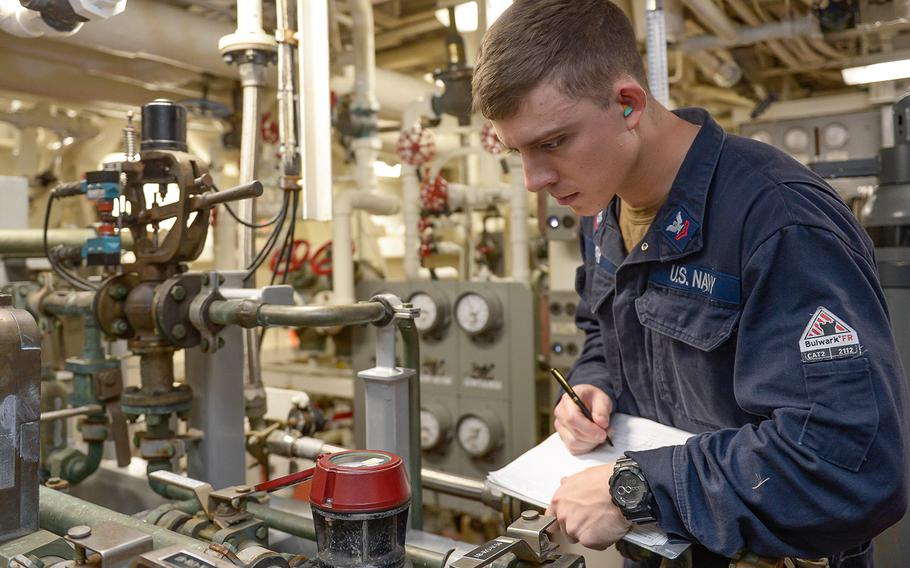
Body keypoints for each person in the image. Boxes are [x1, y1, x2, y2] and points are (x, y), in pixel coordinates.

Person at [472, 1, 909, 566]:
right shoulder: (603, 212)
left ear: (627, 103)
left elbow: (849, 467)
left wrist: (634, 489)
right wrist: (593, 386)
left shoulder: (777, 220)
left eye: (553, 142)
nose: (534, 179)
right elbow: (603, 331)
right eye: (519, 152)